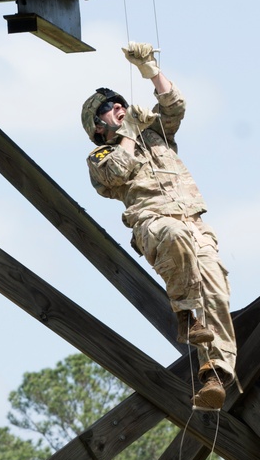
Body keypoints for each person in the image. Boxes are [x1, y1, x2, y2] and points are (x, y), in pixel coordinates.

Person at [81, 41, 238, 409]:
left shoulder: (155, 134)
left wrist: (149, 68)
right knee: (175, 235)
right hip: (154, 224)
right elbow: (117, 173)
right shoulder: (101, 155)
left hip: (193, 221)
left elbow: (174, 105)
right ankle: (185, 312)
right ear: (96, 125)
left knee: (216, 291)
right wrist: (131, 132)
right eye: (108, 108)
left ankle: (215, 374)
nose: (118, 107)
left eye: (119, 102)